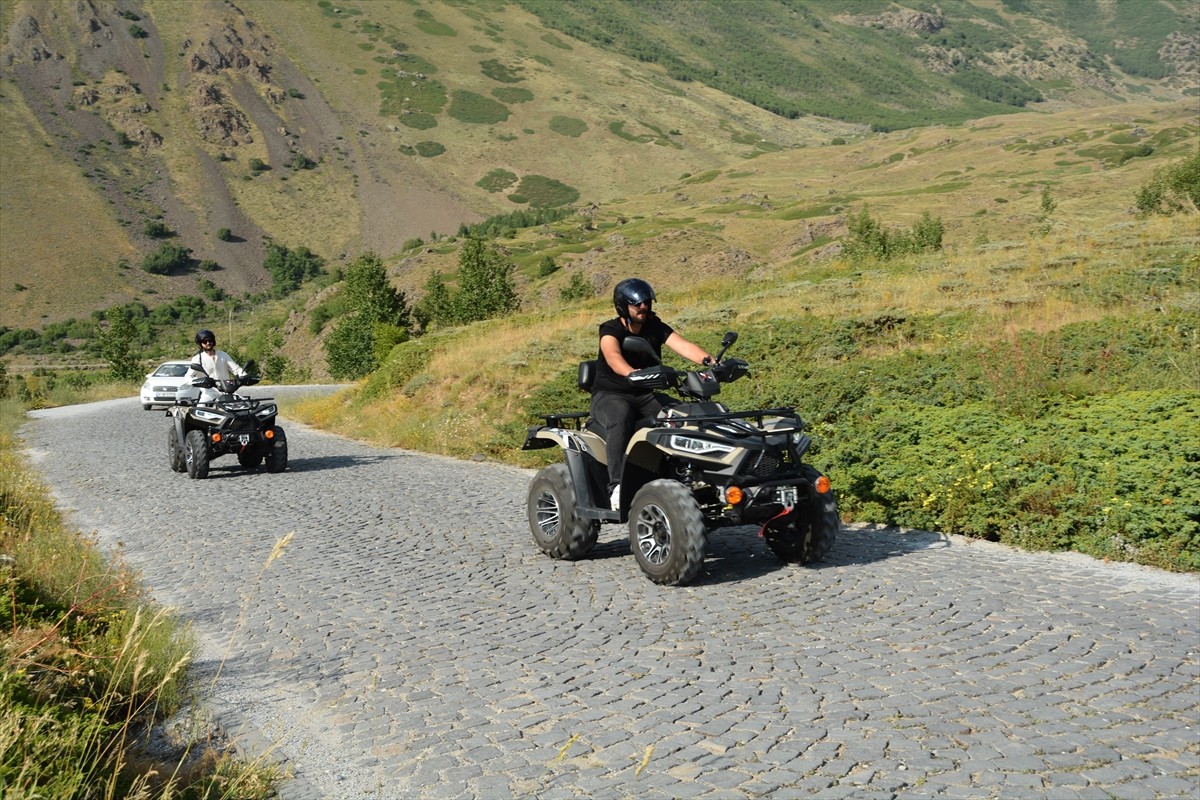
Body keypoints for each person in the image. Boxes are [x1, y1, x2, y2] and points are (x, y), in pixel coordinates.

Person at [591, 278, 713, 509]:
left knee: (680, 415)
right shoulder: (610, 329)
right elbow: (613, 356)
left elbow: (683, 345)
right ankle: (616, 486)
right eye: (637, 304)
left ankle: (687, 475)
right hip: (610, 394)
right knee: (620, 419)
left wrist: (711, 361)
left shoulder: (654, 326)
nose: (643, 307)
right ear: (622, 306)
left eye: (646, 302)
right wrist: (630, 373)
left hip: (646, 393)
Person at [177, 328, 246, 404]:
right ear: (200, 344)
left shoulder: (223, 355)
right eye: (204, 342)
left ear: (213, 341)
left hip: (226, 390)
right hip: (209, 392)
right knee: (200, 410)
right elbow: (187, 377)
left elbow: (236, 369)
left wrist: (244, 376)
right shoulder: (197, 359)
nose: (208, 343)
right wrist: (198, 381)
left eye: (210, 340)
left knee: (245, 406)